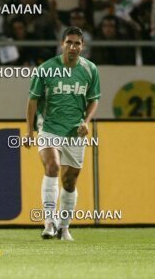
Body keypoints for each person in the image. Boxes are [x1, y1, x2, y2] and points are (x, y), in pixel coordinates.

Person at [23, 26, 101, 241]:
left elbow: (94, 99)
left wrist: (86, 122)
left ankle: (64, 227)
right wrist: (29, 131)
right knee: (53, 167)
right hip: (49, 128)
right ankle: (49, 221)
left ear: (82, 46)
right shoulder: (46, 69)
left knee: (69, 181)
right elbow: (32, 100)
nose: (73, 47)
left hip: (75, 132)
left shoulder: (90, 70)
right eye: (69, 42)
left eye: (77, 43)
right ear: (62, 44)